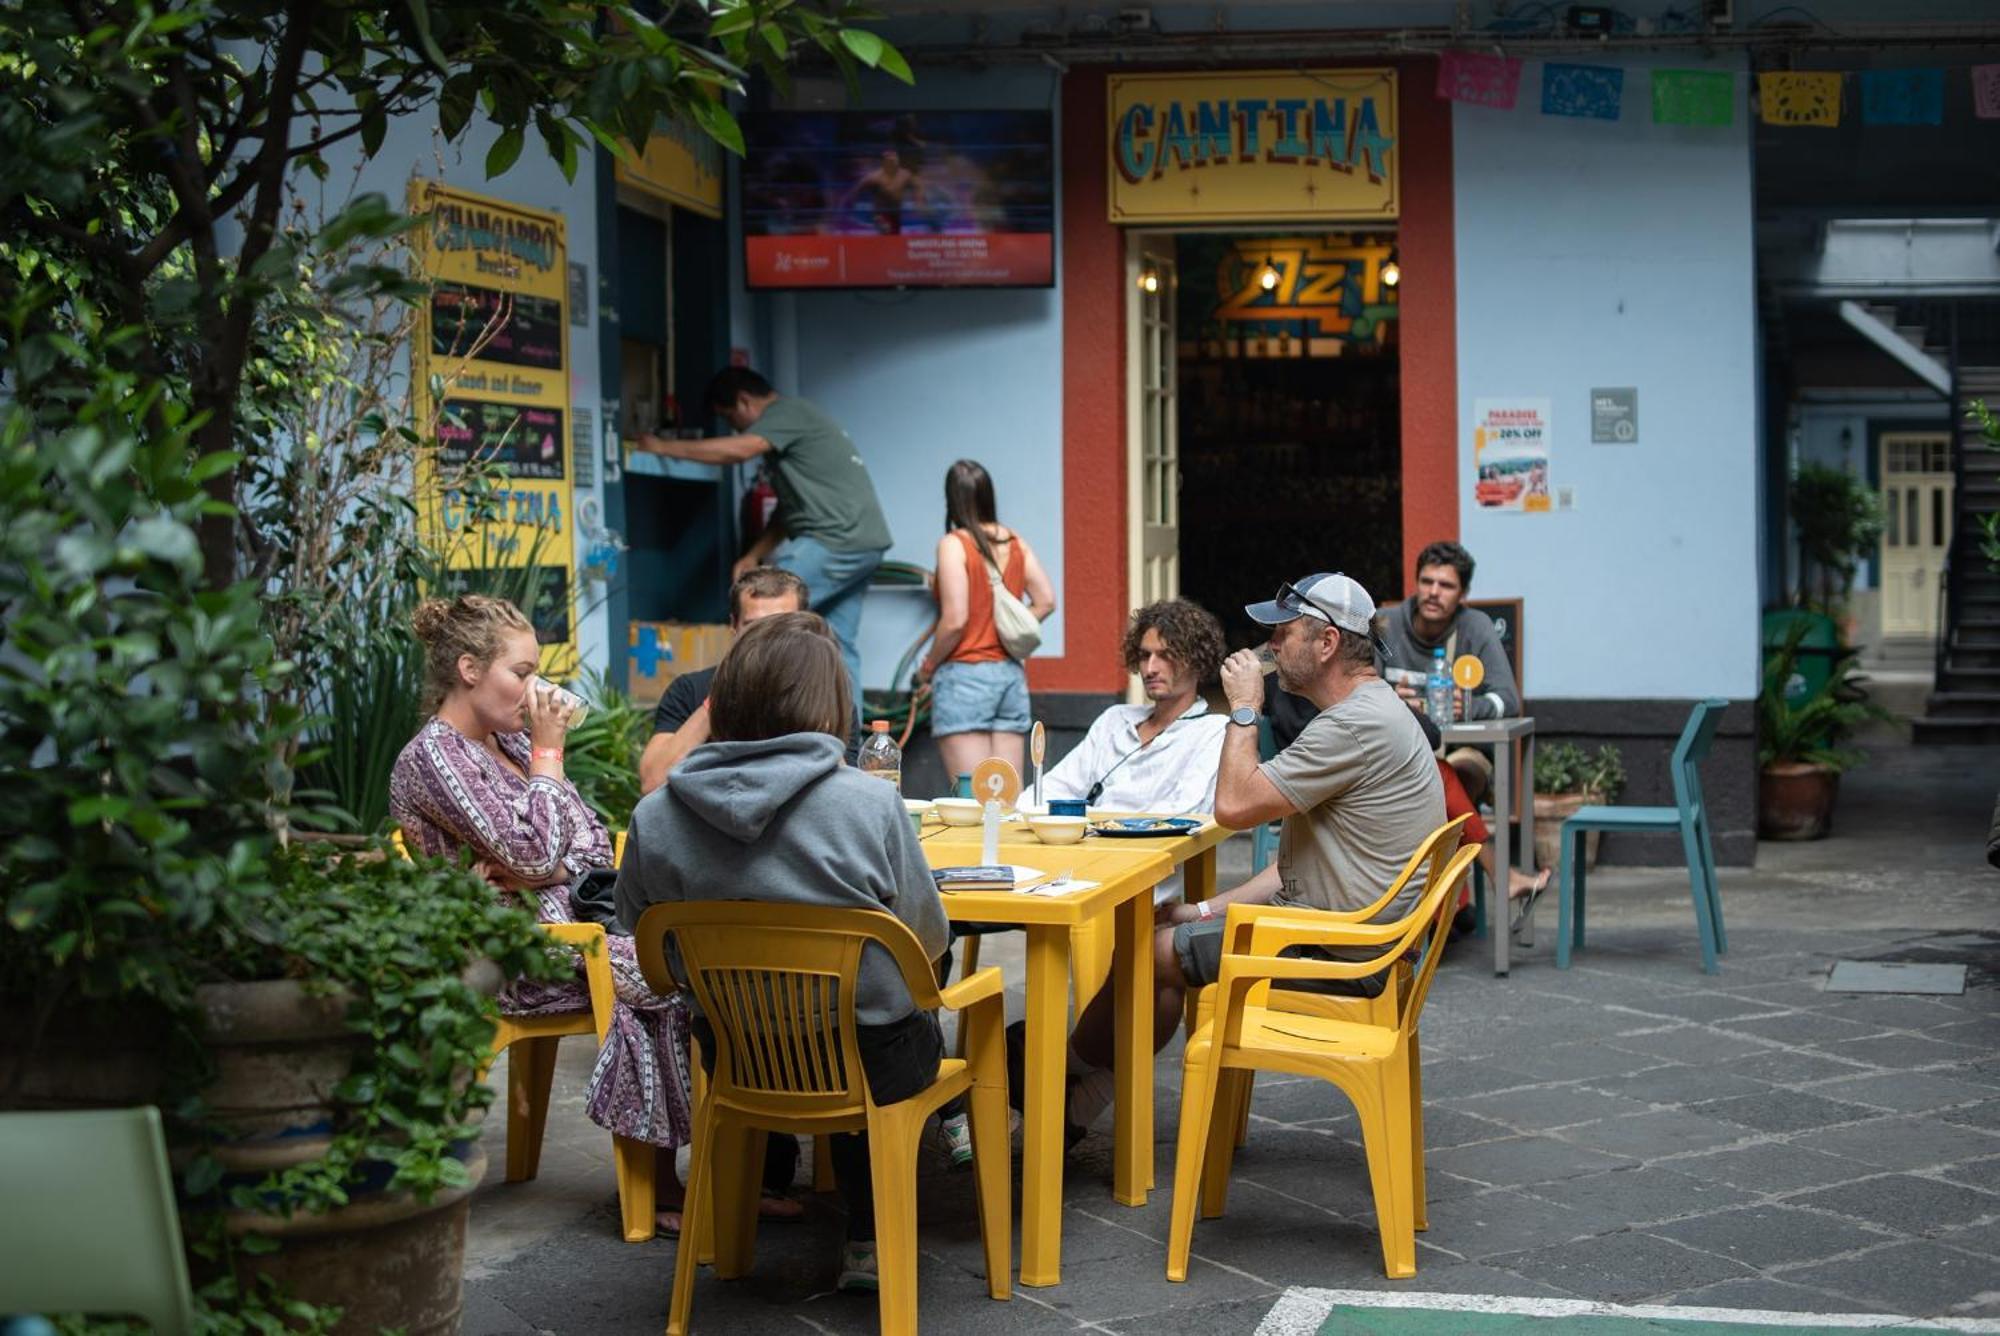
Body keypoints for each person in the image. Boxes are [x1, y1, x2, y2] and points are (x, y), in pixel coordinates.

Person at [389, 595, 807, 1237]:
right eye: (521, 673)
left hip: (576, 925)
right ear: (469, 669)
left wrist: (547, 866)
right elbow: (532, 849)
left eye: (535, 673)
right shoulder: (434, 757)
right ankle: (666, 1183)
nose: (536, 691)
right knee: (669, 980)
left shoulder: (508, 740)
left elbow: (583, 841)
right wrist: (548, 763)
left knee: (717, 965)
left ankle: (735, 1168)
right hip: (513, 951)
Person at [616, 613, 950, 1294]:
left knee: (843, 1012)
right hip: (868, 1060)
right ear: (830, 701)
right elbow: (929, 936)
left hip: (736, 1049)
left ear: (727, 697)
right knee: (899, 1005)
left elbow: (636, 923)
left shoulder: (657, 814)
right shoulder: (868, 804)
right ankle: (869, 1234)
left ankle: (745, 1230)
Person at [1069, 573, 1445, 1078]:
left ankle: (1063, 1081)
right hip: (1357, 933)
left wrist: (1244, 708)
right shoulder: (1366, 713)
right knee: (1164, 944)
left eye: (1282, 634)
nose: (1270, 646)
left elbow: (1232, 806)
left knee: (1145, 955)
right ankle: (1082, 1093)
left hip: (1340, 950)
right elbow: (1295, 870)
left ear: (1327, 642)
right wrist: (1201, 910)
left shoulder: (1350, 727)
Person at [1009, 597, 1229, 1142]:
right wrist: (1074, 818)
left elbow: (1181, 816)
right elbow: (1045, 793)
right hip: (1071, 872)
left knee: (1162, 980)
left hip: (1143, 882)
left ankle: (1061, 1068)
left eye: (1166, 656)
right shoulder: (1113, 721)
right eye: (1145, 655)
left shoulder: (1213, 732)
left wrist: (1080, 818)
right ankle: (1079, 1092)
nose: (1151, 668)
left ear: (1196, 663)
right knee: (1161, 982)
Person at [637, 367, 892, 724]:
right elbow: (789, 512)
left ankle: (745, 723)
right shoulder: (794, 434)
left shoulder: (784, 414)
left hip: (834, 539)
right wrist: (754, 554)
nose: (738, 430)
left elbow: (741, 450)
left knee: (761, 620)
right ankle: (847, 746)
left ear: (744, 401)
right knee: (839, 644)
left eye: (732, 419)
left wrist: (664, 447)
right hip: (861, 542)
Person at [915, 460, 1056, 780]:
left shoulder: (954, 544)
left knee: (972, 802)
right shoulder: (1014, 541)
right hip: (1009, 676)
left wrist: (928, 668)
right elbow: (1046, 601)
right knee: (1005, 801)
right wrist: (1002, 631)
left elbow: (955, 620)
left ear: (952, 498)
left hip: (964, 676)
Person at [638, 568, 809, 794]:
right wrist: (724, 693)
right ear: (734, 627)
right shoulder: (690, 690)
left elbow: (843, 794)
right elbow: (653, 782)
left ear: (803, 628)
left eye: (780, 626)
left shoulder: (822, 693)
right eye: (753, 627)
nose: (767, 639)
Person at [1379, 541, 1520, 803]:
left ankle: (1461, 842)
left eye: (1446, 586)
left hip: (1462, 750)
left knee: (1455, 777)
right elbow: (1356, 690)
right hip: (1395, 748)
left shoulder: (1476, 626)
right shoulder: (1385, 623)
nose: (1433, 592)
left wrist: (1467, 706)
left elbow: (1508, 699)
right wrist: (1389, 699)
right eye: (1426, 581)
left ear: (1463, 593)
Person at [838, 148, 926, 234]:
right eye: (889, 160)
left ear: (898, 161)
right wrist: (850, 202)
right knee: (885, 229)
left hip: (895, 213)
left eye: (894, 159)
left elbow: (918, 185)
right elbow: (857, 188)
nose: (892, 162)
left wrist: (918, 200)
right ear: (884, 162)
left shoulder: (904, 175)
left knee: (893, 238)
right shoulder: (875, 177)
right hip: (880, 214)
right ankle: (880, 224)